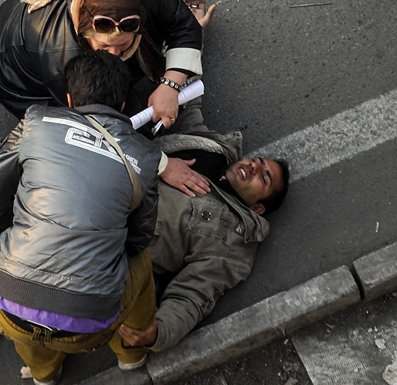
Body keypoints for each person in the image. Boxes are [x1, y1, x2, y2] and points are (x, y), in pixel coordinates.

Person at [0, 51, 160, 385]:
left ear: (69, 98)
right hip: (92, 326)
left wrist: (5, 243)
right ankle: (131, 354)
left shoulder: (35, 122)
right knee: (141, 262)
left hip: (11, 310)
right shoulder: (145, 156)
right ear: (125, 105)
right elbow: (138, 239)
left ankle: (44, 373)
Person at [118, 109, 290, 353]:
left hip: (110, 235)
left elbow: (193, 297)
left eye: (264, 178)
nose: (254, 167)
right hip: (108, 164)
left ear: (257, 208)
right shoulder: (214, 149)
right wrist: (176, 77)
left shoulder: (233, 241)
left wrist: (158, 332)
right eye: (258, 162)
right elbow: (187, 107)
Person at [0, 0, 215, 132]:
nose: (115, 56)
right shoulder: (63, 57)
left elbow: (183, 24)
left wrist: (170, 86)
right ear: (83, 32)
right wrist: (160, 163)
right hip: (21, 81)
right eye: (105, 48)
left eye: (123, 45)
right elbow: (100, 121)